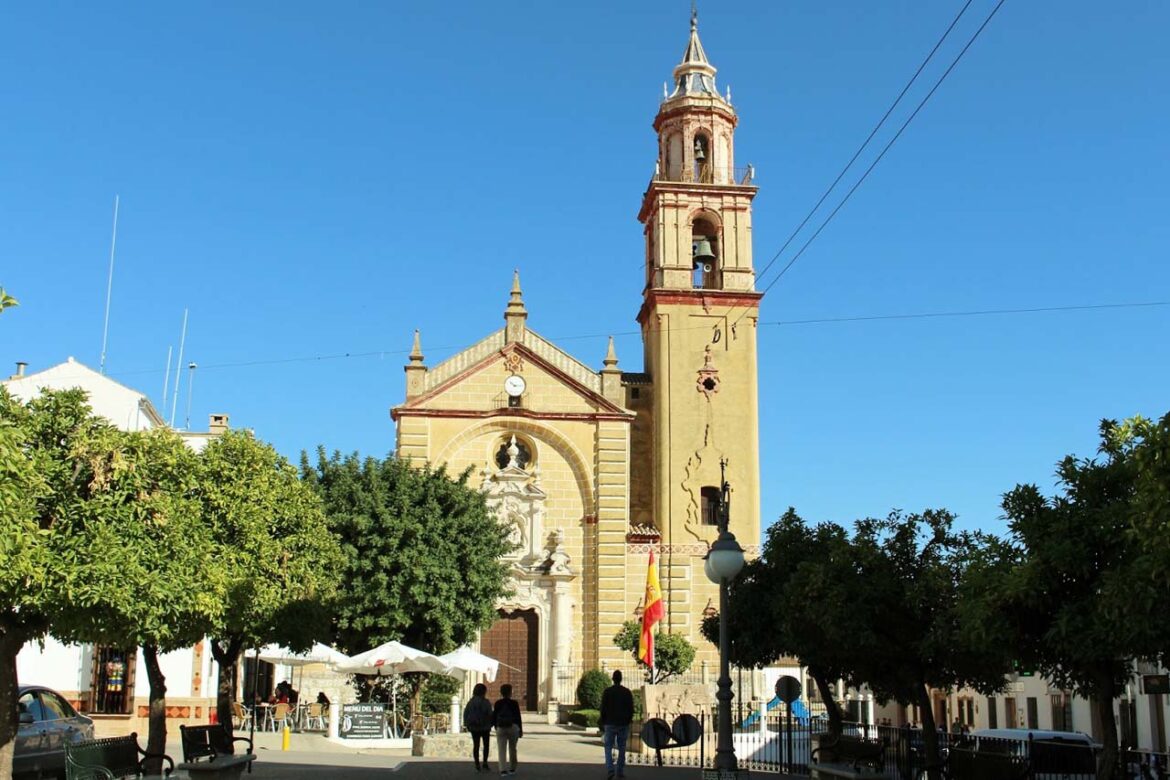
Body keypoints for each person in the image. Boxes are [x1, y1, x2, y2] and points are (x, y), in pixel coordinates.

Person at [598, 670, 634, 780]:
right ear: (621, 679)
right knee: (622, 747)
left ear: (613, 679)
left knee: (608, 746)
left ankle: (610, 769)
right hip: (623, 723)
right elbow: (631, 708)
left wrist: (603, 721)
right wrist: (628, 720)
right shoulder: (627, 692)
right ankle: (620, 770)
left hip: (610, 723)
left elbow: (603, 708)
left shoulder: (607, 692)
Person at [492, 684, 522, 776]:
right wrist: (520, 729)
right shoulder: (514, 703)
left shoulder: (498, 703)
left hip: (501, 727)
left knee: (501, 749)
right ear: (510, 692)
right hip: (513, 727)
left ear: (501, 692)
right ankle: (512, 768)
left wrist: (495, 726)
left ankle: (503, 770)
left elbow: (494, 716)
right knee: (513, 748)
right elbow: (518, 717)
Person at [463, 683, 493, 772]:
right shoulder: (486, 702)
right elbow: (490, 714)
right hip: (485, 727)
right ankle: (485, 762)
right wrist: (491, 724)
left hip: (474, 727)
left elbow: (466, 713)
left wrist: (466, 724)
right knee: (486, 745)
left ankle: (477, 764)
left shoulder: (470, 702)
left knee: (476, 745)